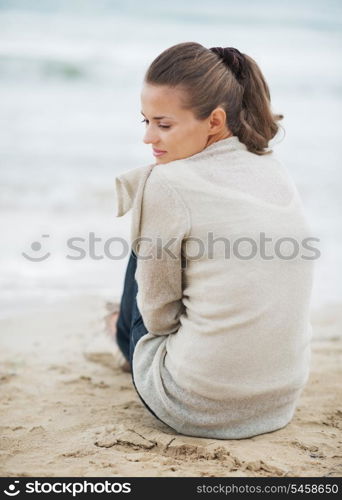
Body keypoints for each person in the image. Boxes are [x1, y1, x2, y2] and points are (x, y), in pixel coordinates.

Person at [111, 42, 315, 439]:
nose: (149, 138)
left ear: (215, 122)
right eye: (145, 122)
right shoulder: (274, 168)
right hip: (279, 401)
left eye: (164, 124)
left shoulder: (165, 183)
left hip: (194, 404)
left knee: (145, 229)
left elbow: (157, 316)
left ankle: (116, 331)